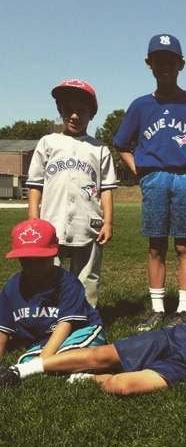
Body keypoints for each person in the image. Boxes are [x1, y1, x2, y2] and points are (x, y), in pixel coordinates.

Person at [0, 225, 186, 402]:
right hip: (182, 337)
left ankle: (84, 380)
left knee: (123, 385)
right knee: (103, 355)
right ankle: (23, 370)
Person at [113, 34, 186, 330]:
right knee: (156, 246)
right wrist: (140, 170)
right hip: (155, 178)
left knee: (184, 246)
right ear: (149, 64)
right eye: (158, 60)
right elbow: (121, 142)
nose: (164, 66)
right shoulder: (141, 106)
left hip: (185, 178)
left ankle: (184, 308)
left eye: (170, 60)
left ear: (181, 64)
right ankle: (157, 307)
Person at [27, 79, 117, 307]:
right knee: (48, 273)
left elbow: (106, 189)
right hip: (52, 221)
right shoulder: (48, 142)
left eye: (81, 111)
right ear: (60, 110)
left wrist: (108, 222)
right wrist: (33, 217)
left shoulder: (99, 149)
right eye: (68, 110)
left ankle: (86, 320)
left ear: (91, 114)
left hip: (89, 222)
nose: (75, 116)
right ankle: (49, 317)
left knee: (87, 277)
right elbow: (35, 184)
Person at [0, 220, 106, 365]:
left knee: (77, 351)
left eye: (40, 260)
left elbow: (66, 324)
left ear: (53, 254)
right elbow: (2, 330)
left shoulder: (67, 283)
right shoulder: (12, 287)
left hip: (79, 332)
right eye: (26, 261)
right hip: (43, 341)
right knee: (26, 359)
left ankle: (64, 365)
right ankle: (66, 368)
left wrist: (39, 363)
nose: (33, 267)